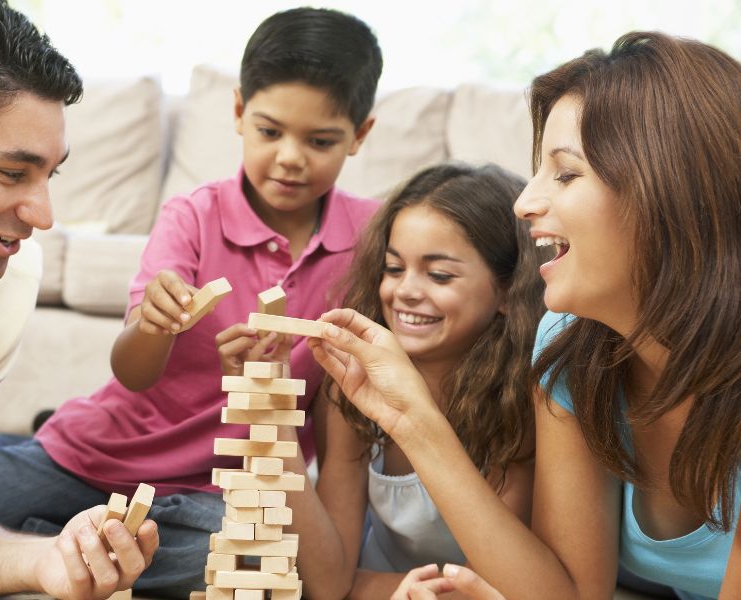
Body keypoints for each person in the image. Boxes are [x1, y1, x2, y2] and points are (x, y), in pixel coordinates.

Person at [307, 31, 741, 600]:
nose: (525, 203)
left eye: (565, 174)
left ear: (666, 190)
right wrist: (413, 419)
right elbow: (568, 593)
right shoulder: (571, 346)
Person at [0, 7, 382, 597]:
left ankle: (57, 540)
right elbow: (132, 373)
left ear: (360, 134)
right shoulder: (192, 216)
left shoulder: (368, 241)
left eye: (320, 141)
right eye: (270, 131)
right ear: (239, 112)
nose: (291, 157)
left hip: (217, 494)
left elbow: (336, 412)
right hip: (96, 456)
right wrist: (154, 326)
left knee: (245, 567)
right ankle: (58, 521)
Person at [0, 1, 158, 598]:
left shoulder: (5, 274)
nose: (43, 216)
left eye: (49, 176)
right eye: (13, 174)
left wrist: (47, 562)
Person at [254, 162, 545, 600]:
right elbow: (330, 582)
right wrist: (273, 413)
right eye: (393, 268)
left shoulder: (518, 402)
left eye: (440, 275)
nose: (405, 290)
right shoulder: (353, 390)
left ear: (507, 292)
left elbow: (492, 580)